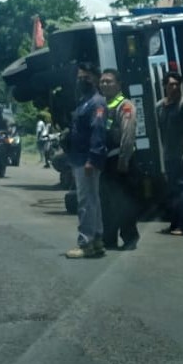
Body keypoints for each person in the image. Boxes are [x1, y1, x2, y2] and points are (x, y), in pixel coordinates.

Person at [65, 62, 107, 259]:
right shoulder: (84, 101)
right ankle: (97, 239)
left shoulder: (97, 103)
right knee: (93, 199)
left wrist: (92, 158)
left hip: (86, 159)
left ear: (96, 79)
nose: (82, 80)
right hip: (79, 157)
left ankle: (86, 242)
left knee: (85, 201)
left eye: (87, 77)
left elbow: (98, 132)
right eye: (80, 76)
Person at [98, 69, 140, 251]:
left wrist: (124, 160)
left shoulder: (125, 105)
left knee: (123, 202)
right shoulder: (102, 106)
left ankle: (130, 237)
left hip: (120, 161)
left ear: (118, 84)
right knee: (106, 203)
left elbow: (128, 135)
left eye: (109, 81)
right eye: (102, 82)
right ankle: (109, 239)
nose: (105, 85)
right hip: (105, 162)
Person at [156, 71, 183, 236]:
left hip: (181, 155)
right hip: (168, 155)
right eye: (171, 84)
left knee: (182, 190)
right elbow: (160, 132)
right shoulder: (159, 106)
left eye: (177, 84)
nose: (174, 87)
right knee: (171, 191)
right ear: (165, 86)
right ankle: (173, 224)